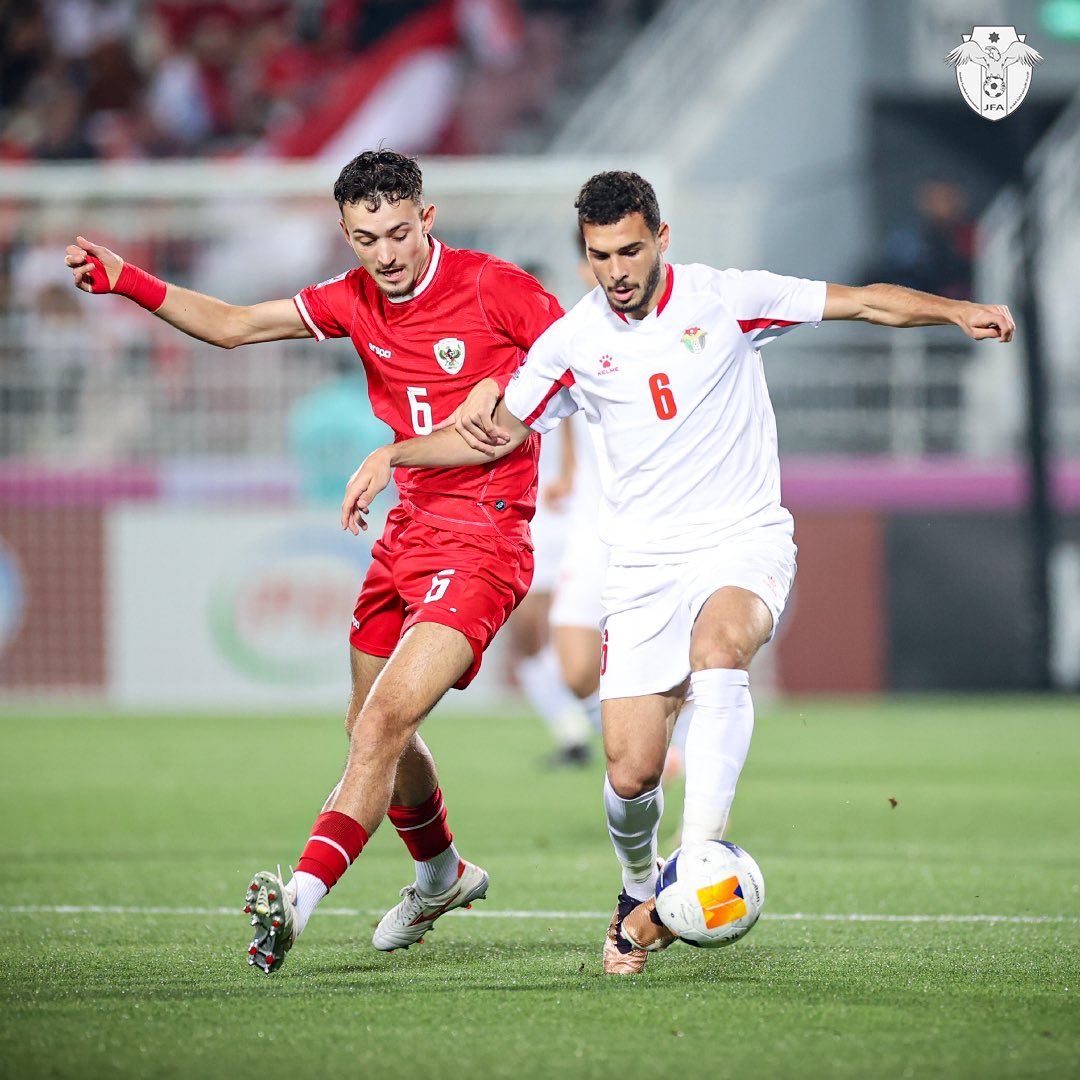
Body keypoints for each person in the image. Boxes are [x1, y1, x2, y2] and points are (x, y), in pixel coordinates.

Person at [339, 170, 1015, 975]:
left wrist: (955, 311)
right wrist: (396, 452)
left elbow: (863, 299)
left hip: (743, 539)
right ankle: (635, 890)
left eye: (630, 249)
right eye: (600, 256)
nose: (617, 269)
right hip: (643, 567)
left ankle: (696, 862)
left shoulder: (728, 300)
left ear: (662, 239)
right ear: (585, 257)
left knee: (720, 650)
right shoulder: (572, 343)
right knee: (631, 774)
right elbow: (492, 433)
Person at [64, 148, 564, 973]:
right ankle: (440, 873)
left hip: (486, 537)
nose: (388, 254)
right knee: (372, 729)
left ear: (427, 220)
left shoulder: (493, 287)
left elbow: (575, 354)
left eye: (401, 233)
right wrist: (130, 281)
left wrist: (502, 384)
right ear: (346, 233)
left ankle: (296, 901)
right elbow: (232, 326)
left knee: (380, 725)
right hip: (407, 537)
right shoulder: (351, 300)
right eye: (368, 238)